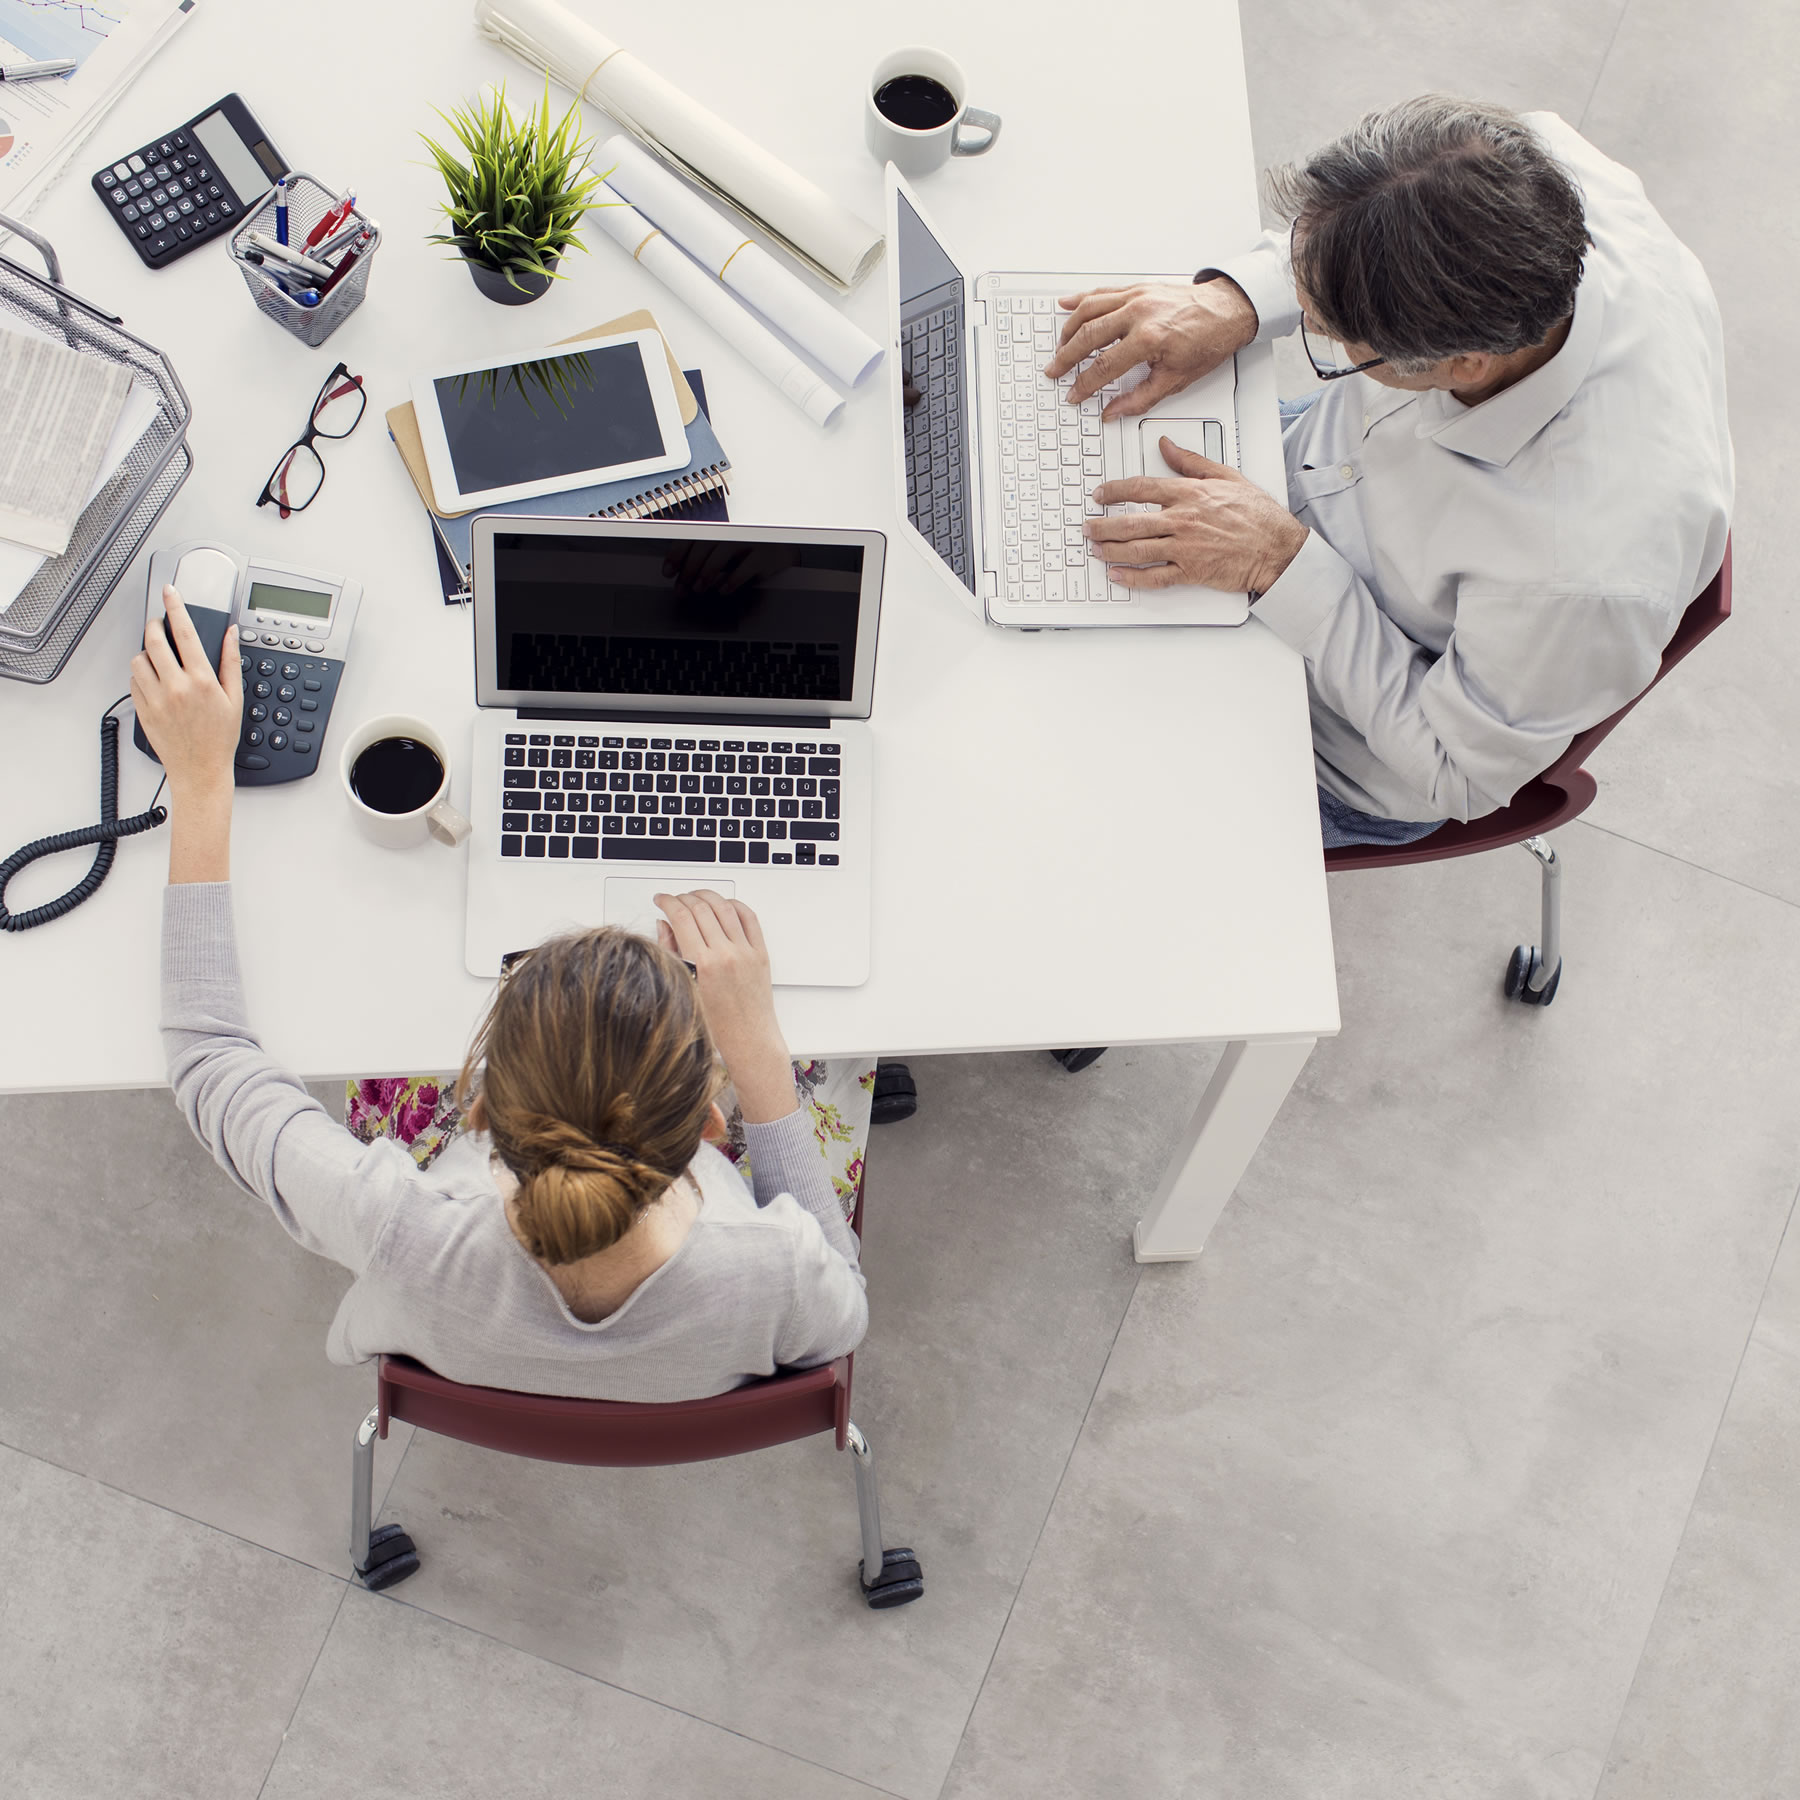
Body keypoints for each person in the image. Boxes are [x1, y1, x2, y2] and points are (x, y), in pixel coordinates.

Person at [136, 591, 869, 1402]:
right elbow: (844, 1312)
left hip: (457, 1340)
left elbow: (205, 1057)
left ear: (475, 1112)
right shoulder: (779, 1274)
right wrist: (759, 1054)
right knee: (853, 1056)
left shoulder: (397, 1227)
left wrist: (201, 778)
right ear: (710, 1128)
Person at [1044, 96, 1732, 848]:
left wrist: (1280, 564)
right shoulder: (1531, 168)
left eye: (1329, 333)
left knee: (1059, 757)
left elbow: (1454, 772)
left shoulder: (1585, 577)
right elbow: (1374, 219)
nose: (1305, 325)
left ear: (1464, 363)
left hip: (1340, 738)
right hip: (1303, 480)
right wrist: (1239, 300)